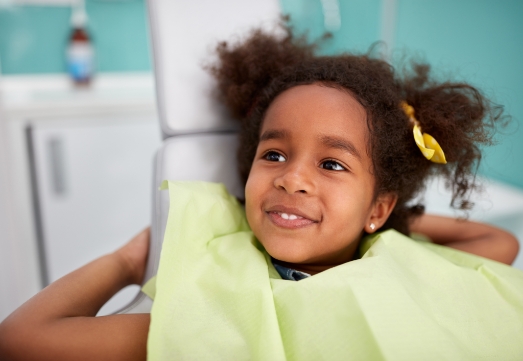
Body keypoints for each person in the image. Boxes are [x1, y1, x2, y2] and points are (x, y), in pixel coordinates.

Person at [0, 25, 519, 360]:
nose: (291, 179)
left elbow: (498, 244)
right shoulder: (218, 307)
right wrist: (129, 260)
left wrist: (391, 223)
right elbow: (23, 338)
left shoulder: (400, 261)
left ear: (378, 205)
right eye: (273, 155)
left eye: (332, 163)